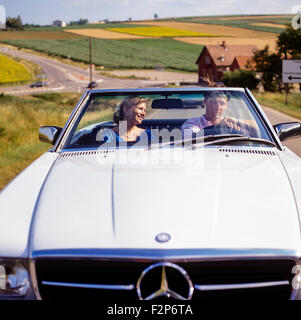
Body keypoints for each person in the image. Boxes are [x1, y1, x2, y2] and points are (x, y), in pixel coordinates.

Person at [181, 91, 258, 139]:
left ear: (227, 104)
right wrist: (221, 128)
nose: (218, 108)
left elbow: (259, 129)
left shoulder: (232, 123)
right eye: (214, 103)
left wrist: (237, 122)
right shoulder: (192, 123)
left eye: (222, 103)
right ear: (205, 102)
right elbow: (190, 139)